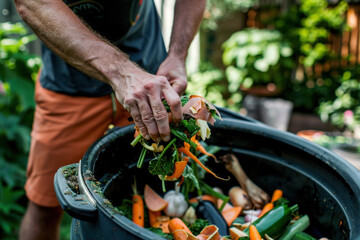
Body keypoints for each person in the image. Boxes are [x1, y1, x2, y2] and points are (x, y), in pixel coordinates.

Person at [13, 0, 206, 239]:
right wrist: (121, 72)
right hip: (69, 85)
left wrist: (178, 54)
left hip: (150, 79)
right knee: (46, 204)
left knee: (156, 194)